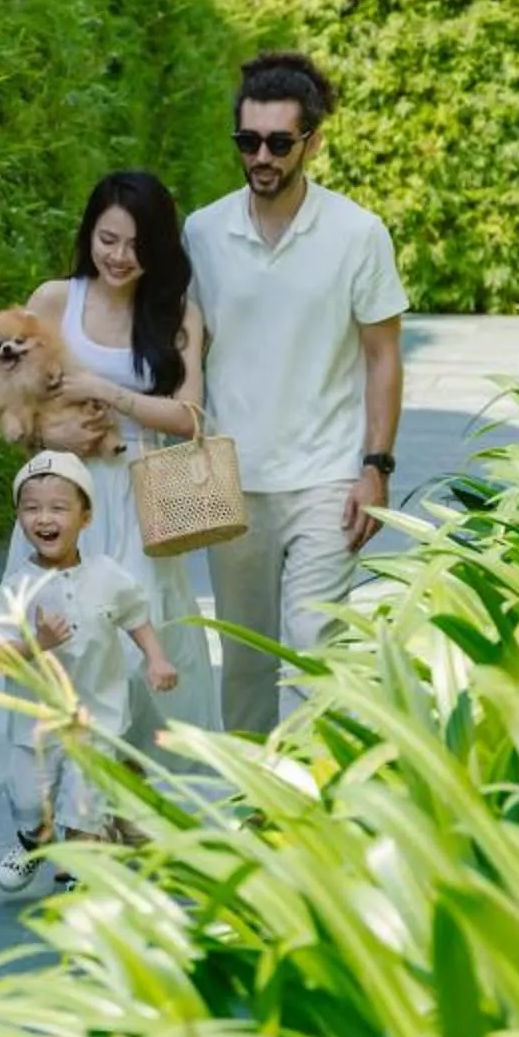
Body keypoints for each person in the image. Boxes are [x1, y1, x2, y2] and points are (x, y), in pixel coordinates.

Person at [184, 51, 408, 733]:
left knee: (313, 651)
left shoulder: (358, 234)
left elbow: (383, 357)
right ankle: (256, 816)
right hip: (231, 482)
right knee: (246, 661)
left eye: (279, 142)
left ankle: (306, 808)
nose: (262, 156)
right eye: (247, 141)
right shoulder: (203, 232)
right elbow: (186, 349)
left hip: (326, 481)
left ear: (312, 140)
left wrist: (376, 467)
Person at [5, 169, 219, 735]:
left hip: (140, 501)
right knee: (63, 645)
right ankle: (74, 803)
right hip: (61, 496)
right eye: (108, 239)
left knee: (137, 649)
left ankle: (129, 801)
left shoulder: (177, 315)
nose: (121, 256)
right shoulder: (54, 300)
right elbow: (13, 407)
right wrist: (54, 437)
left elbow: (188, 416)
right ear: (88, 235)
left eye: (137, 244)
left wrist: (106, 391)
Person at [0, 450, 180, 896]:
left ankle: (81, 873)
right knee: (31, 802)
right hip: (35, 724)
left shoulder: (108, 575)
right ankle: (32, 838)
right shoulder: (16, 587)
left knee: (85, 802)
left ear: (86, 517)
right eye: (31, 508)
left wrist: (156, 658)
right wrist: (36, 644)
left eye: (58, 507)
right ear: (19, 517)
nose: (44, 518)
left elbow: (136, 615)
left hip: (97, 716)